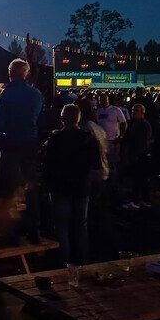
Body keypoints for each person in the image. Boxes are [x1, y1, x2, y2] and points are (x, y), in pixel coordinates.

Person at [43, 104, 101, 265]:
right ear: (78, 118)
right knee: (81, 225)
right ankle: (82, 261)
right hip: (81, 187)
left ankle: (63, 262)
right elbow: (96, 166)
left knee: (61, 227)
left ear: (62, 119)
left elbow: (47, 164)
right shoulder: (87, 137)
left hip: (59, 187)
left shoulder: (55, 138)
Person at [0, 59, 44, 242]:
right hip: (30, 144)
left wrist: (1, 143)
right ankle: (34, 231)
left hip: (11, 145)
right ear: (26, 73)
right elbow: (41, 121)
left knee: (10, 187)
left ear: (10, 73)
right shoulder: (36, 94)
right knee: (30, 188)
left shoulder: (6, 94)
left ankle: (12, 232)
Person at [122, 104, 152, 209]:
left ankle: (138, 200)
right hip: (136, 154)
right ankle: (142, 199)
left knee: (139, 178)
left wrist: (136, 154)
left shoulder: (143, 125)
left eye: (136, 110)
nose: (133, 112)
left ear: (142, 112)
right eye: (133, 110)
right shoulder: (134, 123)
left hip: (140, 155)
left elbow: (142, 142)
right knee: (139, 179)